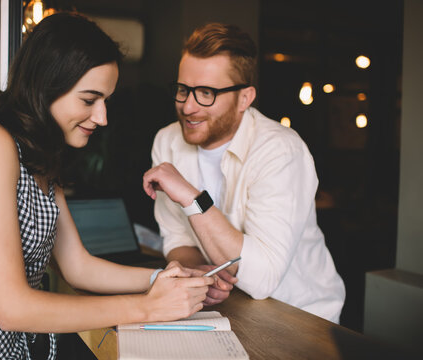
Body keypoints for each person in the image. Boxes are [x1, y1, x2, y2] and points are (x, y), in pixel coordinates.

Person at [0, 12, 213, 360]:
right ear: (46, 87)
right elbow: (12, 308)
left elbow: (78, 267)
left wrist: (162, 278)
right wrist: (149, 308)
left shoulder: (40, 159)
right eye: (89, 100)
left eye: (105, 101)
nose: (102, 117)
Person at [142, 22, 345, 323]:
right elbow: (176, 239)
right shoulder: (167, 141)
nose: (188, 107)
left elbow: (262, 279)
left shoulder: (281, 151)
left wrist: (189, 195)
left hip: (301, 318)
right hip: (224, 308)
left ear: (245, 98)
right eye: (183, 90)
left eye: (207, 93)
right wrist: (200, 275)